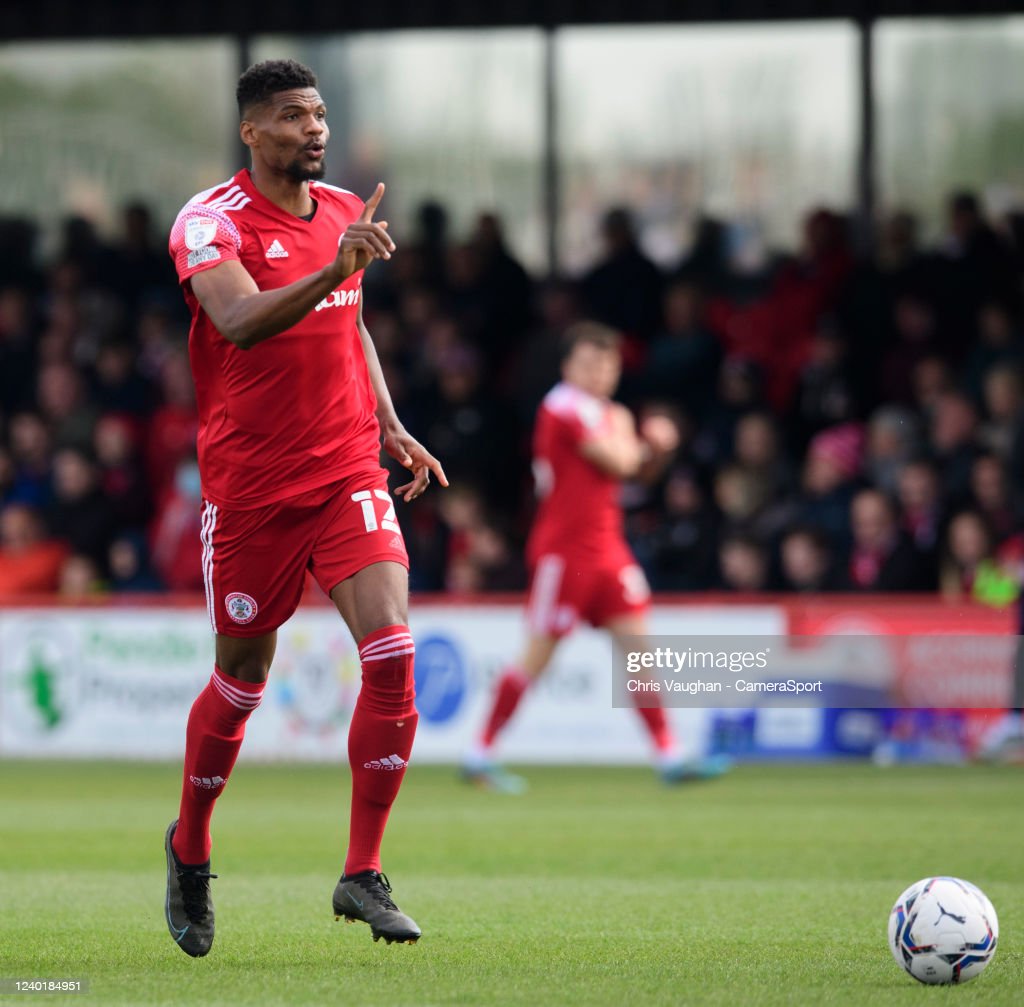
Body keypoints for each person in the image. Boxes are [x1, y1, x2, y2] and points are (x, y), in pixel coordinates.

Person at [164, 59, 446, 958]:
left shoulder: (338, 215)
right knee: (241, 681)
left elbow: (351, 321)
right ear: (252, 131)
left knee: (395, 652)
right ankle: (191, 845)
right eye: (292, 116)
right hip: (250, 492)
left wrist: (392, 423)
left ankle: (362, 871)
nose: (313, 129)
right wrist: (335, 269)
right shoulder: (209, 223)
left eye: (319, 113)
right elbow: (241, 321)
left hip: (344, 472)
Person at [461, 322, 728, 791]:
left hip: (608, 550)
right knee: (537, 657)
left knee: (640, 652)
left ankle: (670, 755)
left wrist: (656, 453)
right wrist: (654, 443)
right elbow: (622, 462)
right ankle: (479, 753)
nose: (598, 372)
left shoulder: (612, 414)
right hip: (564, 553)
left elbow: (637, 477)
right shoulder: (562, 406)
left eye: (607, 364)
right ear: (568, 367)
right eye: (588, 363)